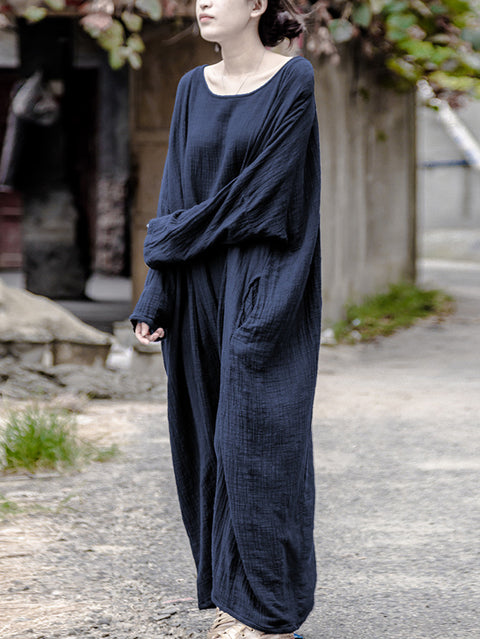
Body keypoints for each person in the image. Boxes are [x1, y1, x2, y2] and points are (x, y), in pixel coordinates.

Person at [130, 0, 322, 635]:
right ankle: (230, 597)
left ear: (258, 5)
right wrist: (158, 291)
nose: (203, 3)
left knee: (257, 444)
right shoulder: (191, 87)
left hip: (263, 284)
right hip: (196, 288)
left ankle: (269, 608)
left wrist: (166, 239)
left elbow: (262, 198)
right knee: (205, 444)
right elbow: (178, 192)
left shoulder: (293, 81)